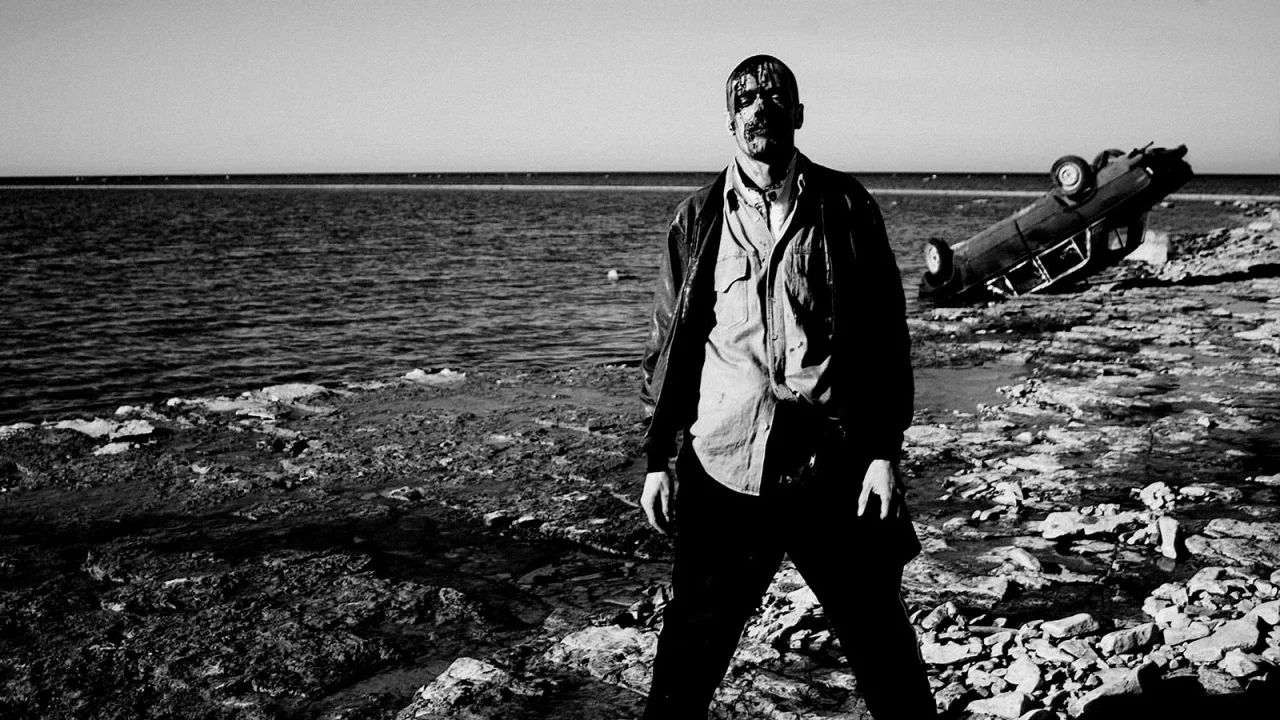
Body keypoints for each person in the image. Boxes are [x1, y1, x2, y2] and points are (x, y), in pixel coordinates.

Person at [638, 55, 936, 719]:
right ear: (729, 121)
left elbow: (887, 337)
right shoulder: (696, 219)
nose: (759, 110)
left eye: (774, 99)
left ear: (798, 114)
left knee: (881, 641)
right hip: (724, 461)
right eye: (745, 100)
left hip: (831, 462)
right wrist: (658, 458)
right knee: (688, 653)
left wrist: (883, 451)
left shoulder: (846, 206)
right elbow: (670, 345)